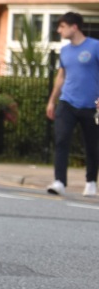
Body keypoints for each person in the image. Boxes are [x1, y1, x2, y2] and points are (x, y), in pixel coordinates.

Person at [45, 11, 99, 197]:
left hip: (91, 105)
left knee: (92, 145)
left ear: (74, 27)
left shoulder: (95, 47)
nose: (59, 30)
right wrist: (52, 100)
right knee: (61, 140)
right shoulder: (65, 51)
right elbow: (61, 76)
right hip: (67, 102)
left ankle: (91, 181)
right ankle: (59, 181)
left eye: (62, 26)